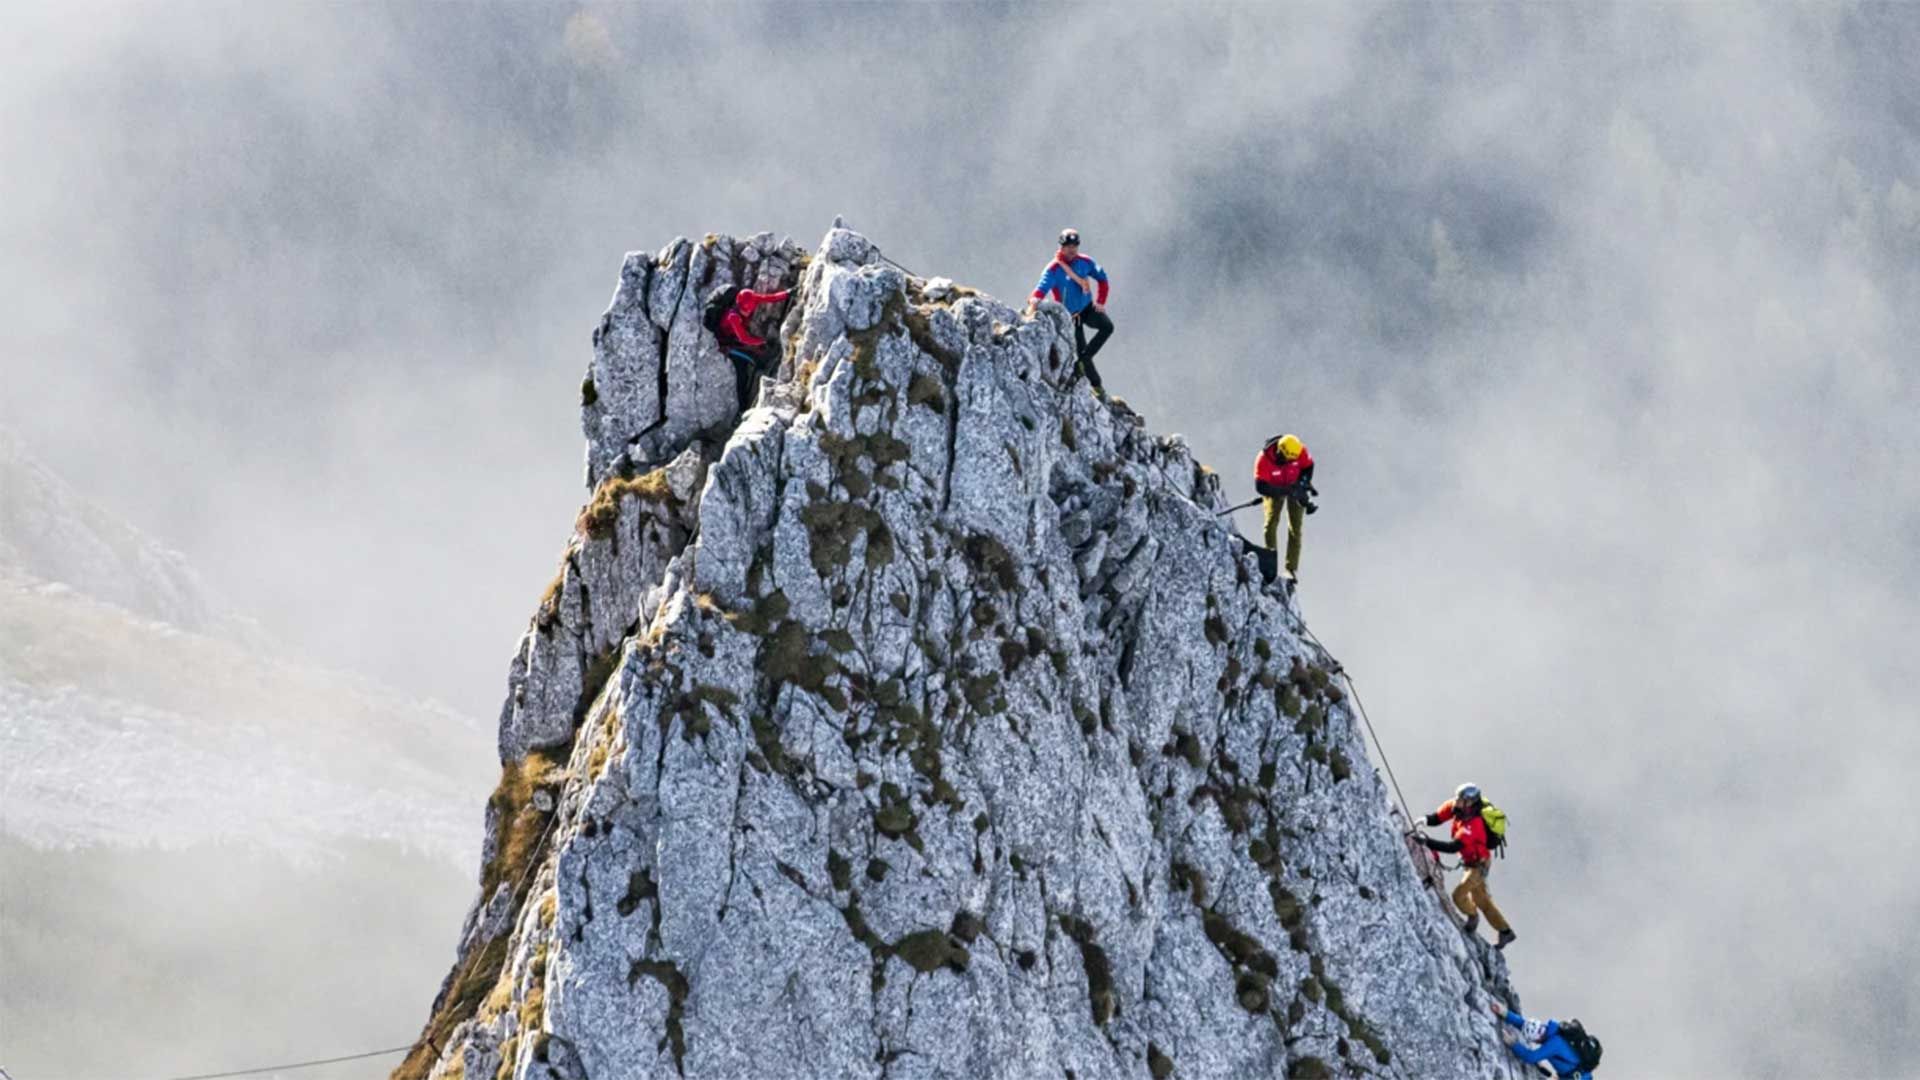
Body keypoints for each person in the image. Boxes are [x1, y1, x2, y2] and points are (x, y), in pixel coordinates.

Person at [1411, 782, 1516, 949]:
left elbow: (1453, 847)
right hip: (1473, 861)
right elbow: (1438, 817)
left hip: (1478, 866)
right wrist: (1425, 819)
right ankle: (1505, 932)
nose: (1457, 801)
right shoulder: (1457, 808)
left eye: (1461, 799)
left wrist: (1427, 842)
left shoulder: (1473, 825)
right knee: (1482, 900)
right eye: (1458, 798)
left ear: (1470, 803)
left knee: (1459, 895)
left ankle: (1472, 916)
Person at [1025, 228, 1113, 392]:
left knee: (1107, 327)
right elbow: (1042, 287)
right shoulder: (1054, 269)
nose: (1071, 249)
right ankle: (1097, 386)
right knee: (1081, 348)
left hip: (1087, 308)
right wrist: (1035, 300)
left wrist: (1101, 301)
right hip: (1070, 316)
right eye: (1068, 246)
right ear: (1061, 247)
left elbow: (1102, 279)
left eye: (1074, 245)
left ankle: (1084, 360)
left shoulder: (1085, 262)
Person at [707, 284, 792, 413]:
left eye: (749, 309)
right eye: (745, 310)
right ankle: (742, 408)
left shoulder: (751, 298)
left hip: (738, 341)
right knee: (742, 372)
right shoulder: (733, 317)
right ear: (739, 306)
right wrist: (762, 341)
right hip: (729, 345)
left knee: (755, 359)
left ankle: (761, 369)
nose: (748, 312)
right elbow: (744, 338)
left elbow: (770, 298)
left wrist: (787, 293)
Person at [1253, 434, 1315, 583]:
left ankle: (1291, 568)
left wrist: (1303, 483)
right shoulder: (1264, 459)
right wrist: (1283, 491)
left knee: (1295, 528)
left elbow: (1308, 466)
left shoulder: (1299, 452)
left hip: (1294, 487)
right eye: (1288, 459)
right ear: (1280, 452)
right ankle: (1270, 562)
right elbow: (1260, 487)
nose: (1291, 462)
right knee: (1271, 524)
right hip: (1274, 489)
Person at [1489, 1000, 1601, 1077]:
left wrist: (1513, 1044)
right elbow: (1525, 1025)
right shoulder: (1552, 1030)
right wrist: (1505, 1013)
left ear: (1537, 1040)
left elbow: (1531, 1057)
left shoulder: (1554, 1043)